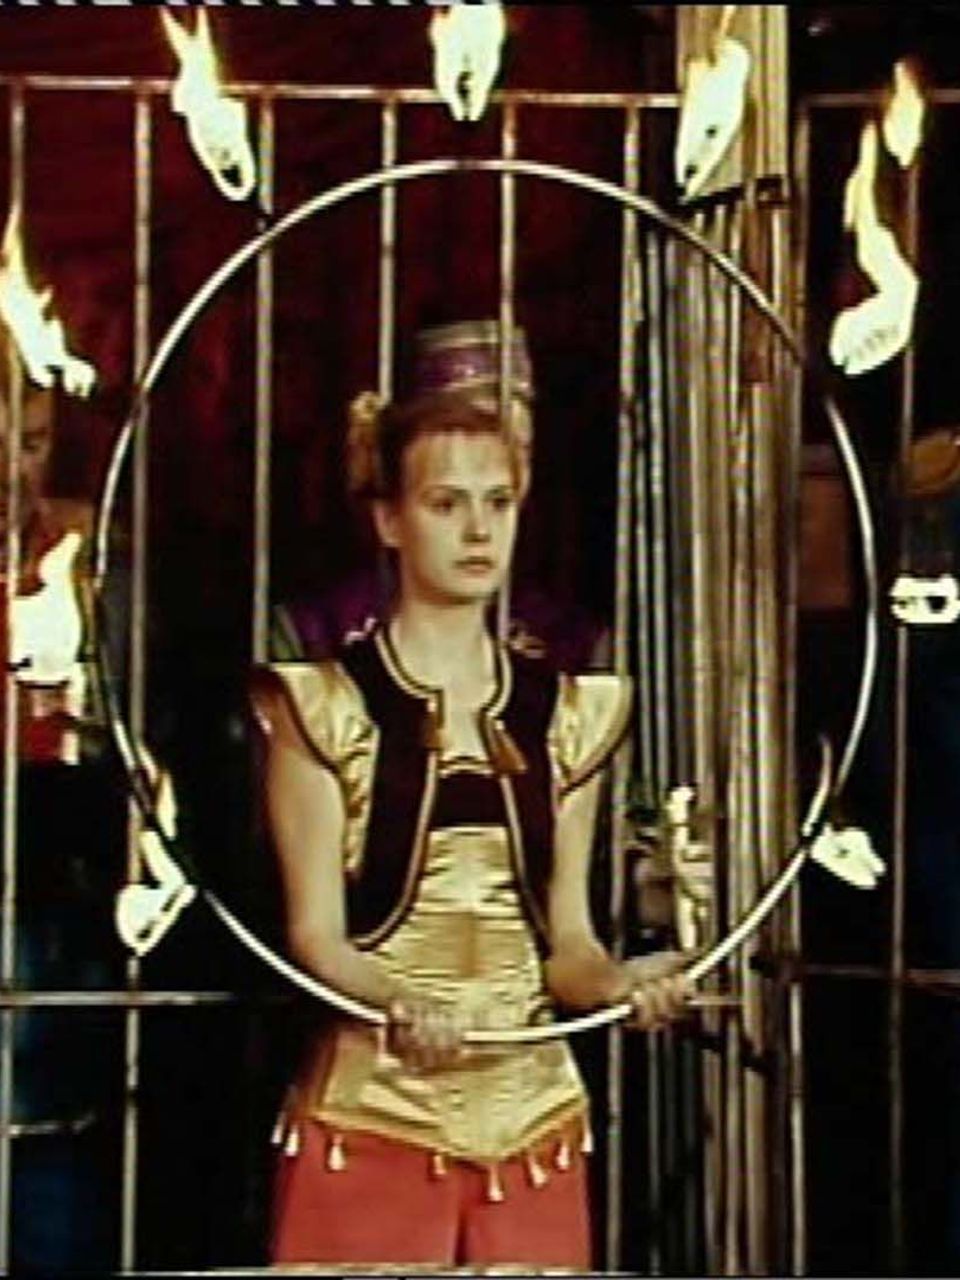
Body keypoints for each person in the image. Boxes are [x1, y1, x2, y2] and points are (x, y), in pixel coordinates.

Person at [251, 386, 689, 1269]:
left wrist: (618, 985)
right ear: (390, 521)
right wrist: (398, 1001)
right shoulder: (325, 707)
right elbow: (316, 936)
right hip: (374, 1116)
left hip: (534, 1125)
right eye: (445, 504)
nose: (478, 530)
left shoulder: (569, 714)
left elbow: (566, 945)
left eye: (499, 502)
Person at [0, 330, 125, 1273]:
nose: (14, 467)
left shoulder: (81, 553)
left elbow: (136, 728)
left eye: (35, 440)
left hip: (51, 884)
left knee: (48, 1154)